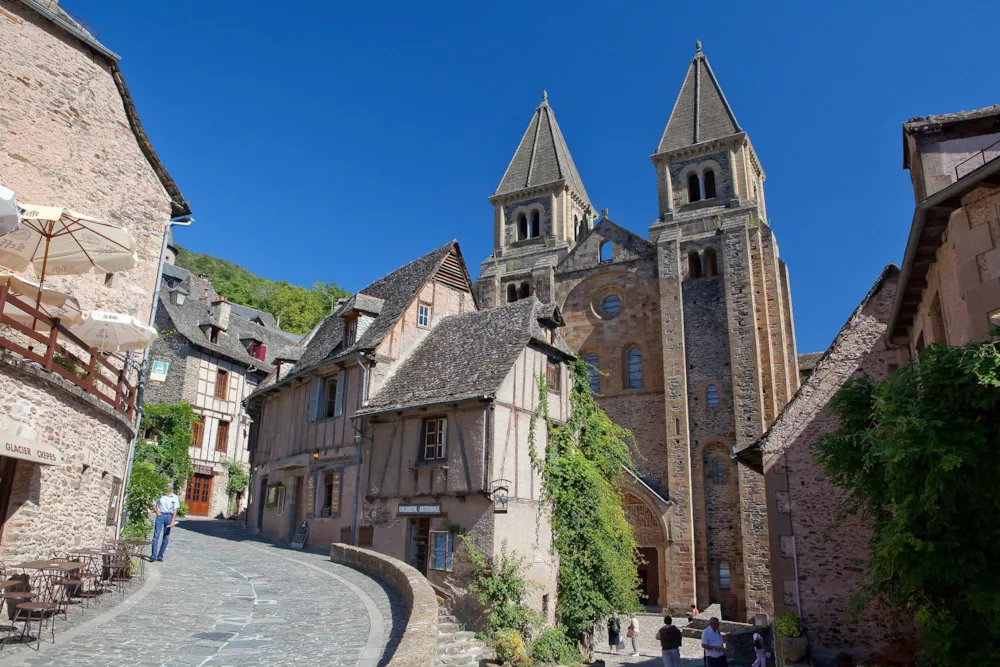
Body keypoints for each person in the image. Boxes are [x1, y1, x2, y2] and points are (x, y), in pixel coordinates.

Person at [150, 482, 180, 562]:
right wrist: (157, 512)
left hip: (169, 516)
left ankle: (160, 555)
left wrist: (173, 520)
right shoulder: (160, 495)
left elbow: (175, 509)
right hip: (160, 516)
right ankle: (153, 555)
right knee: (156, 535)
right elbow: (153, 504)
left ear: (170, 489)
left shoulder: (175, 497)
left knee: (166, 536)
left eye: (167, 488)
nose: (166, 489)